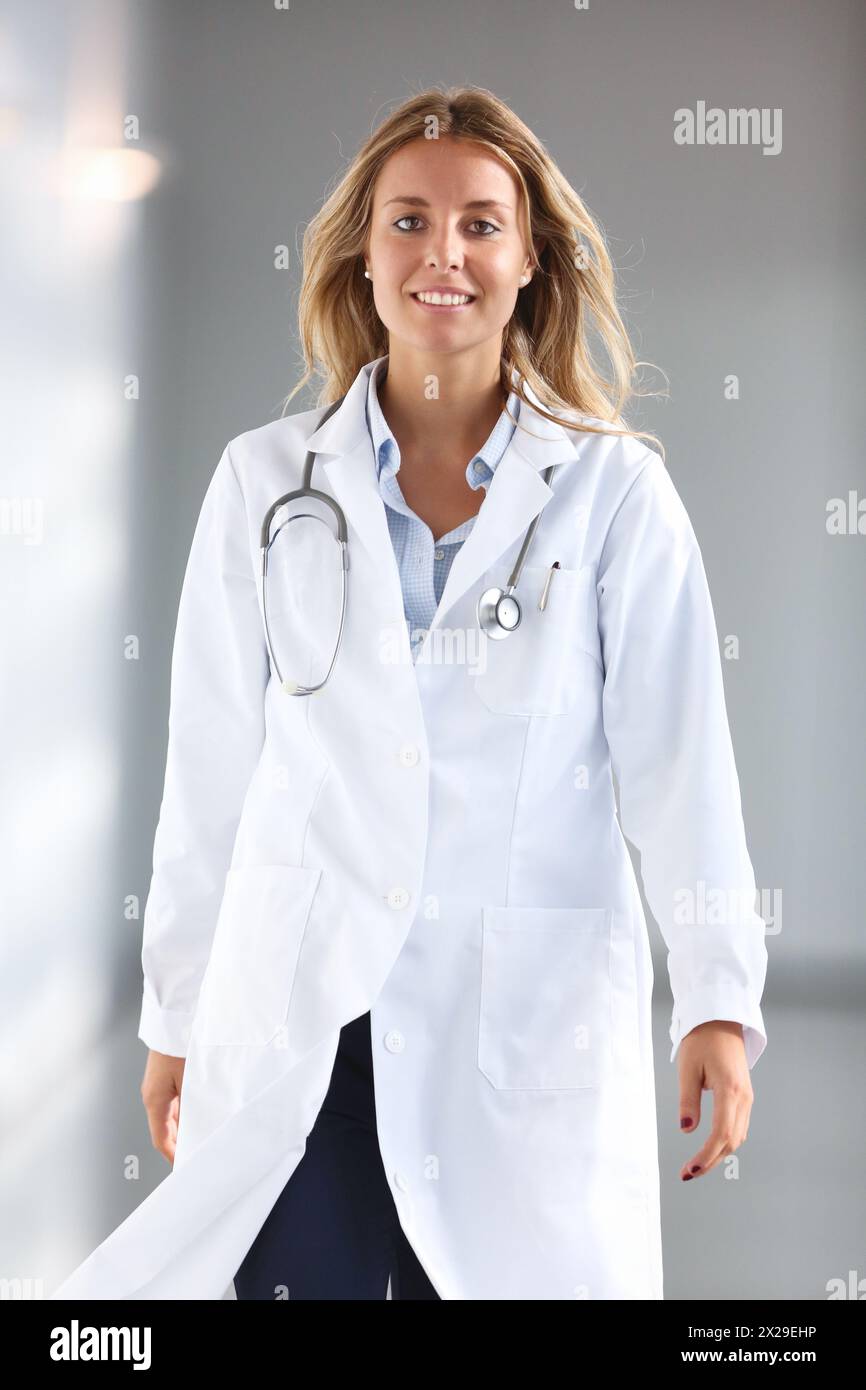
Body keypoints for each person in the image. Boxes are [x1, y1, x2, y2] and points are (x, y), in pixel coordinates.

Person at [53, 85, 768, 1303]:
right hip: (302, 1020)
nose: (444, 253)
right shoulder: (265, 486)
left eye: (481, 224)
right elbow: (210, 769)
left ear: (528, 259)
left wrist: (712, 994)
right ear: (361, 255)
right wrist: (177, 1011)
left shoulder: (611, 497)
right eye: (409, 221)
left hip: (517, 1018)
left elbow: (679, 762)